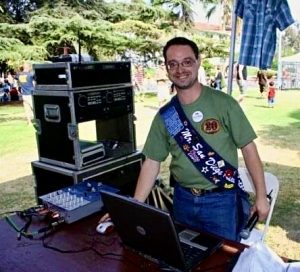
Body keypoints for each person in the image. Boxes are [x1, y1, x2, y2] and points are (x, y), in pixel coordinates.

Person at [100, 37, 270, 242]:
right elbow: (152, 162)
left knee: (221, 261)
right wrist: (136, 204)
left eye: (187, 62)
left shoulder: (224, 104)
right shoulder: (166, 115)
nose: (180, 69)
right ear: (167, 68)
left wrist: (261, 196)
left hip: (221, 202)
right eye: (173, 63)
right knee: (184, 257)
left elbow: (249, 149)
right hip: (182, 200)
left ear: (198, 62)